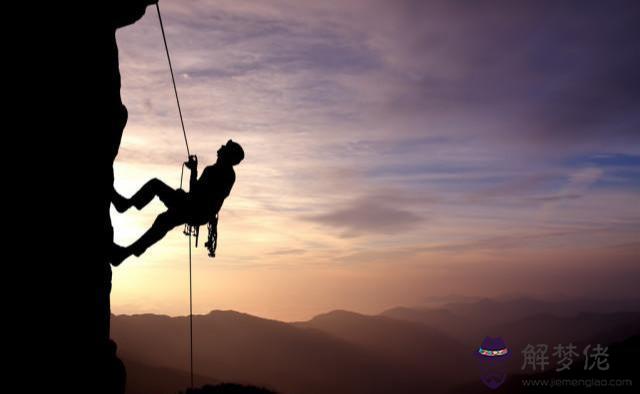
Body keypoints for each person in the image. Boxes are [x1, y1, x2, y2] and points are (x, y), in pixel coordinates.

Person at [111, 139, 244, 265]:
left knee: (156, 190)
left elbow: (196, 192)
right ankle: (124, 254)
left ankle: (125, 207)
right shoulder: (228, 175)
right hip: (198, 212)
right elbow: (201, 195)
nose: (221, 147)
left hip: (193, 209)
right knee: (163, 220)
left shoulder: (214, 172)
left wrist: (193, 170)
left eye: (225, 148)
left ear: (228, 155)